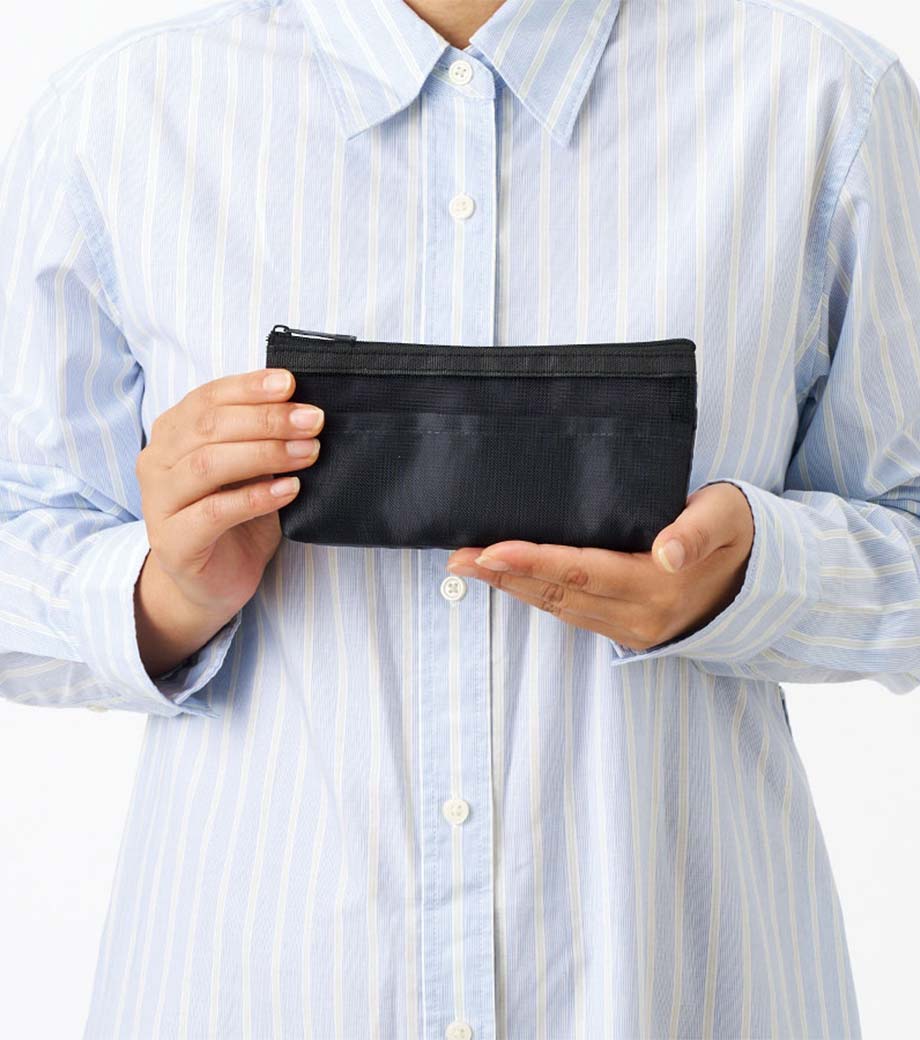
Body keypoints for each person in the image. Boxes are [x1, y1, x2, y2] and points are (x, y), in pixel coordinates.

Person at [1, 0, 919, 1036]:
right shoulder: (119, 117)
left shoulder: (822, 102)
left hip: (676, 991)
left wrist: (749, 579)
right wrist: (164, 597)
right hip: (248, 991)